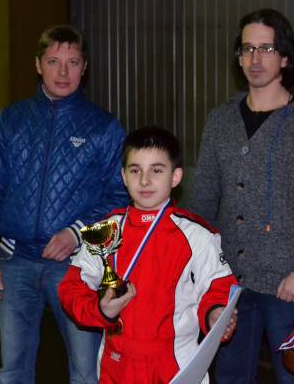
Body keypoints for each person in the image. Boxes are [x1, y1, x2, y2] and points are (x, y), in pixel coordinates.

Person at [188, 8, 294, 383]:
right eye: (247, 49)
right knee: (229, 377)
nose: (255, 59)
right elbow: (202, 203)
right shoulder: (220, 120)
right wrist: (201, 271)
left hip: (287, 288)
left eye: (266, 48)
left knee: (293, 377)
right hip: (229, 282)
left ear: (285, 58)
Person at [0, 25, 129, 384]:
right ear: (38, 65)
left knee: (87, 372)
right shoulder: (11, 121)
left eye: (73, 62)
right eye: (54, 61)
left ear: (84, 67)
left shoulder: (103, 128)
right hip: (14, 261)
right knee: (14, 370)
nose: (63, 72)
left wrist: (76, 234)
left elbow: (119, 197)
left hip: (76, 266)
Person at [58, 126, 238, 383]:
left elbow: (219, 287)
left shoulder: (197, 235)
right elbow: (71, 287)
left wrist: (215, 314)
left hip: (175, 367)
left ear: (175, 176)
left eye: (157, 170)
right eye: (135, 170)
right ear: (123, 176)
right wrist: (99, 309)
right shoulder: (106, 230)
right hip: (116, 366)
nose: (144, 181)